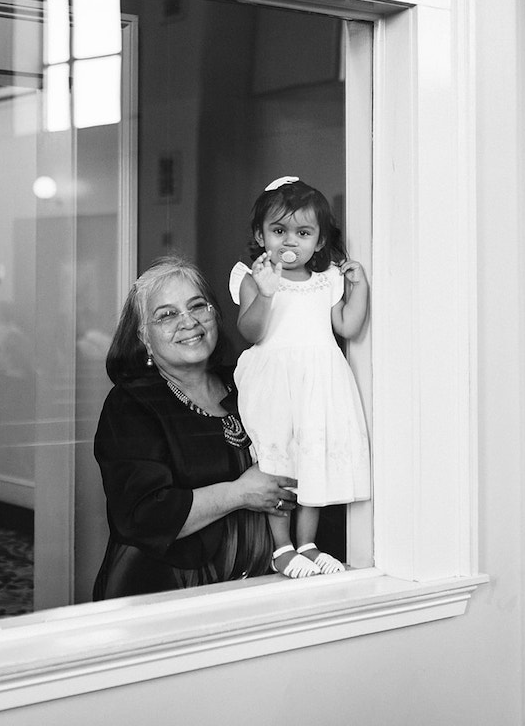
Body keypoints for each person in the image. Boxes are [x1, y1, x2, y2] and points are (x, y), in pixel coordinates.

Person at [92, 256, 299, 600]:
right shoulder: (130, 404)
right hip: (168, 593)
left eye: (197, 306)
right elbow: (143, 515)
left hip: (266, 585)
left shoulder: (247, 381)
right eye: (167, 315)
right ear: (143, 336)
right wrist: (241, 493)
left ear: (215, 315)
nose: (188, 322)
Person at [230, 175, 371, 578]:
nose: (290, 242)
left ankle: (307, 544)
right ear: (261, 235)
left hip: (318, 382)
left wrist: (357, 288)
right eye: (279, 231)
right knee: (281, 464)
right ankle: (281, 548)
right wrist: (266, 290)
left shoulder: (326, 281)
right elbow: (252, 331)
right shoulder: (251, 277)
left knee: (312, 461)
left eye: (303, 232)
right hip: (276, 382)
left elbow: (348, 326)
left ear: (320, 241)